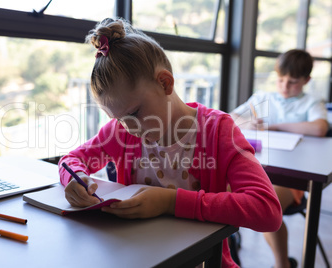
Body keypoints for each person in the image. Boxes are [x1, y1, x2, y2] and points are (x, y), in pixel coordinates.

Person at [59, 18, 282, 268]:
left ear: (165, 83)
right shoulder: (120, 132)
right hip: (136, 257)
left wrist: (170, 202)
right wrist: (75, 180)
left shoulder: (218, 130)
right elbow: (71, 161)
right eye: (118, 119)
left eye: (134, 113)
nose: (129, 128)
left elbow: (267, 211)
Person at [230, 49, 329, 268]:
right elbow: (232, 117)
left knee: (263, 206)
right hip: (254, 170)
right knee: (219, 193)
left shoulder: (311, 103)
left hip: (289, 180)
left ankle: (282, 264)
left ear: (306, 80)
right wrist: (248, 123)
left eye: (292, 82)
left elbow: (319, 128)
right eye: (281, 80)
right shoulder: (263, 98)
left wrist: (275, 126)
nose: (284, 86)